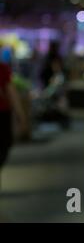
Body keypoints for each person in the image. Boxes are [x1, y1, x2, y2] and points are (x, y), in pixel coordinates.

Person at [0, 60, 27, 189]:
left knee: (5, 145)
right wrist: (21, 117)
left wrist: (21, 116)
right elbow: (12, 93)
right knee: (4, 146)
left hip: (3, 113)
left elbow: (11, 92)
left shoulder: (2, 68)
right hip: (2, 115)